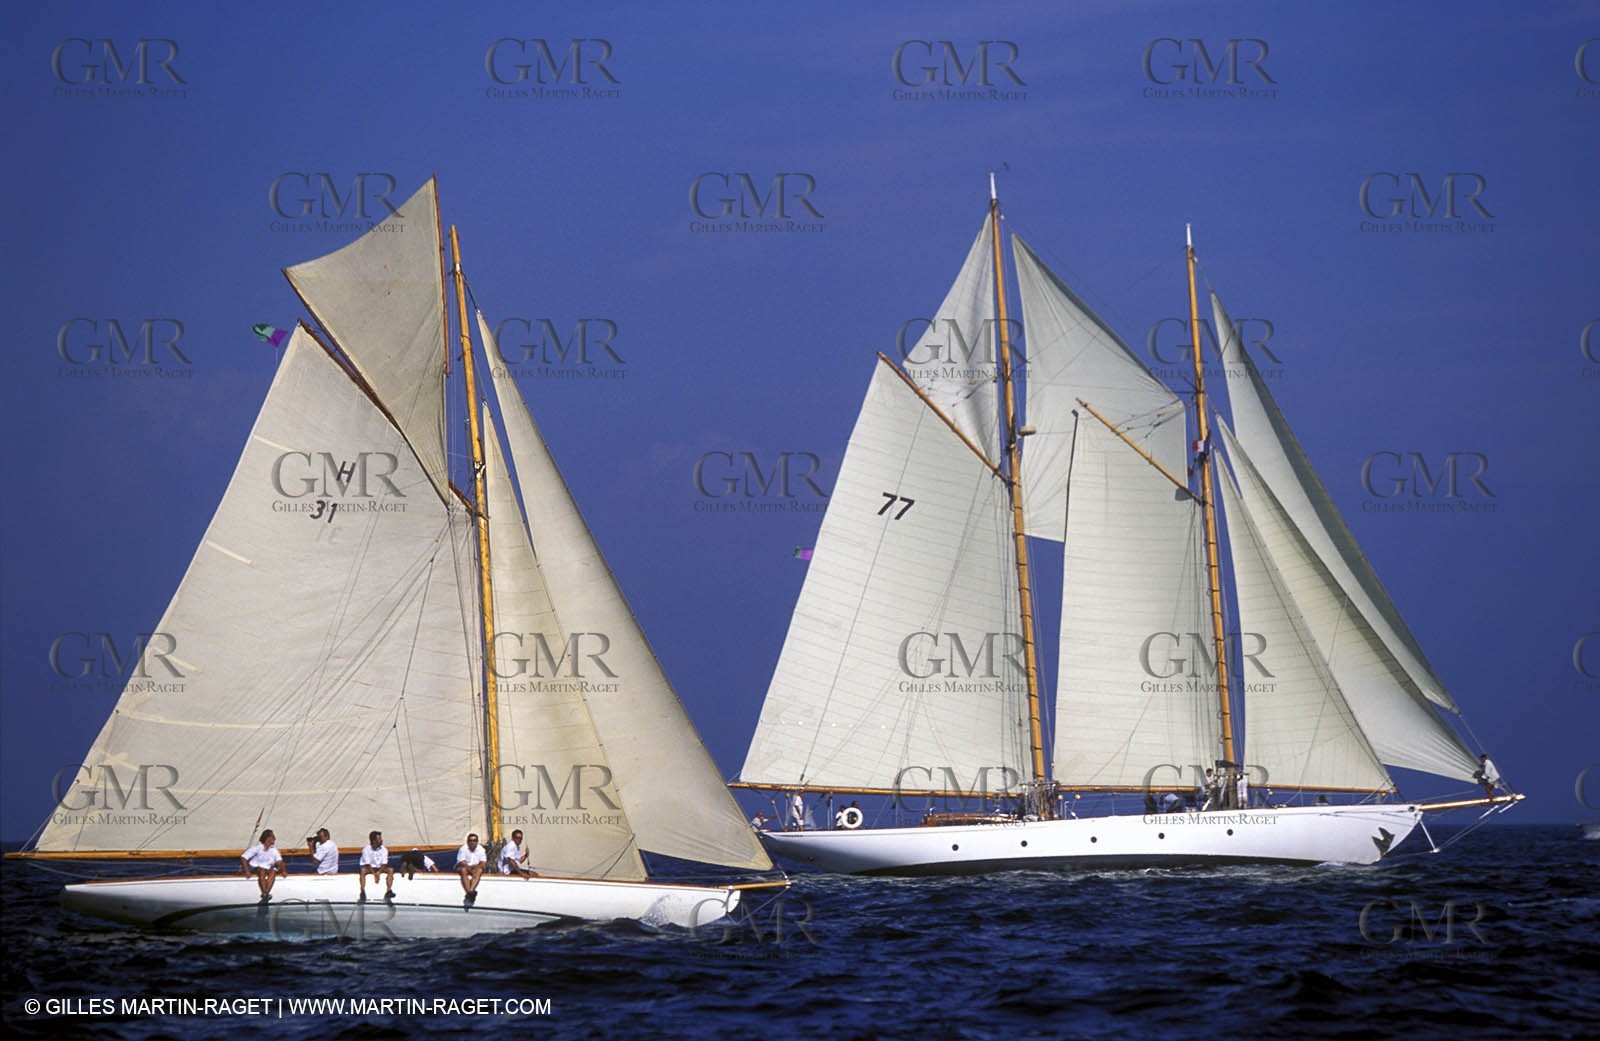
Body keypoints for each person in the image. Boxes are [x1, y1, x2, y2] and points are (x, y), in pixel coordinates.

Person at [240, 829, 286, 901]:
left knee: (273, 871)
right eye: (273, 837)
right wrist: (247, 871)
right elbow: (244, 858)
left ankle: (265, 893)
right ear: (268, 838)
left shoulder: (274, 850)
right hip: (255, 867)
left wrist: (283, 871)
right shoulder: (257, 848)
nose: (275, 839)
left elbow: (280, 862)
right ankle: (265, 893)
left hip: (267, 868)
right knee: (262, 870)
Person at [358, 830, 394, 902]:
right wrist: (375, 875)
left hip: (379, 868)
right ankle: (362, 891)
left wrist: (379, 873)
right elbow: (367, 863)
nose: (381, 840)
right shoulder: (366, 849)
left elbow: (384, 863)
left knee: (390, 870)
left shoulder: (384, 849)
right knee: (363, 871)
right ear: (374, 841)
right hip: (369, 868)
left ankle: (388, 891)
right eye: (379, 839)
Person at [457, 833, 488, 903]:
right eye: (470, 840)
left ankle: (470, 891)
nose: (472, 842)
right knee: (463, 870)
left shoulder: (481, 849)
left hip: (476, 867)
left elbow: (483, 863)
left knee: (479, 870)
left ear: (477, 841)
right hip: (464, 866)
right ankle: (470, 892)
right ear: (467, 841)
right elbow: (462, 862)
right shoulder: (463, 849)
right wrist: (471, 870)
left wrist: (475, 868)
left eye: (474, 840)